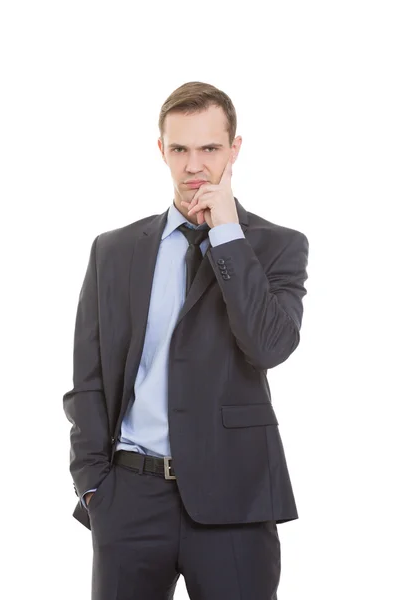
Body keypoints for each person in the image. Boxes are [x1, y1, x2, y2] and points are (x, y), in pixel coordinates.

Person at [63, 80, 309, 600]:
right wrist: (94, 485)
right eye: (180, 149)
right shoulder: (114, 250)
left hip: (235, 503)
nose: (194, 165)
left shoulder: (277, 247)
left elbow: (269, 345)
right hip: (128, 499)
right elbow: (88, 378)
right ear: (161, 151)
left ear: (234, 149)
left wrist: (227, 235)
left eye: (209, 149)